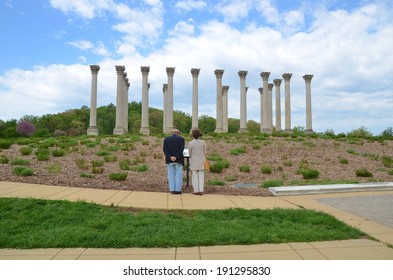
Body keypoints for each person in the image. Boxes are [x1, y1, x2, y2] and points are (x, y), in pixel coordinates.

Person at [163, 129, 185, 194]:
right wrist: (176, 156)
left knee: (171, 175)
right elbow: (182, 149)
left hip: (169, 160)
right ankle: (178, 189)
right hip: (179, 159)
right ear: (178, 133)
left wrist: (170, 156)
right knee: (179, 175)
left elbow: (165, 149)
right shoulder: (181, 139)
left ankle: (172, 189)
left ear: (171, 133)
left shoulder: (166, 139)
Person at [188, 129, 207, 195]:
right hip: (201, 160)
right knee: (201, 175)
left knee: (194, 175)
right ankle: (201, 190)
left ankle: (196, 190)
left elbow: (189, 154)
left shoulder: (190, 143)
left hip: (193, 160)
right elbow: (205, 152)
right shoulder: (203, 142)